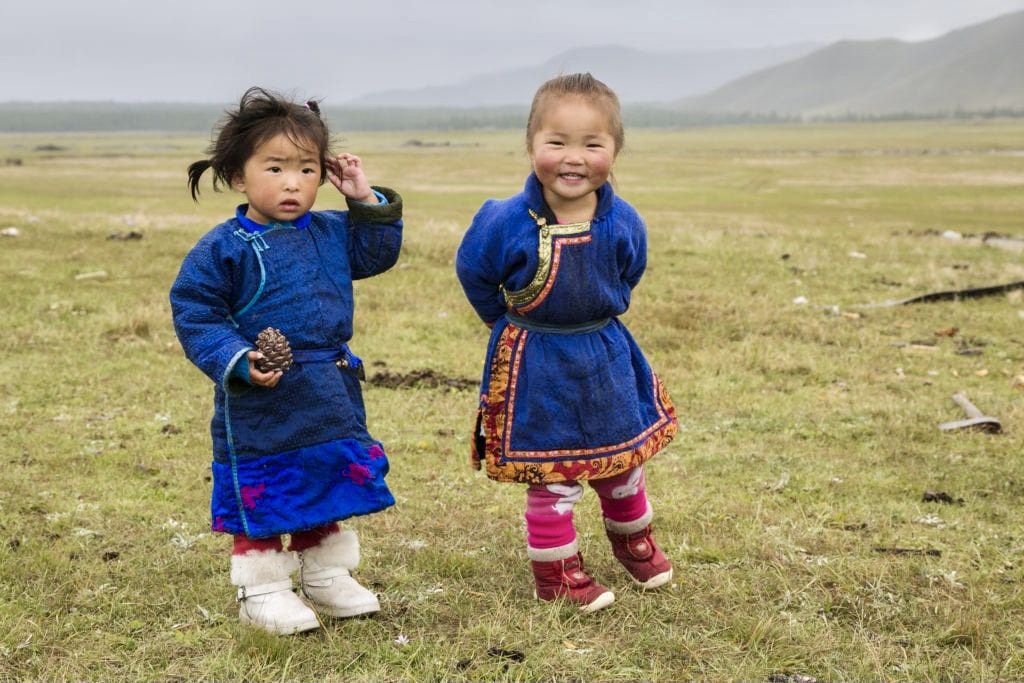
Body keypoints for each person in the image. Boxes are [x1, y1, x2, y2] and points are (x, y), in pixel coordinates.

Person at [170, 87, 403, 634]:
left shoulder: (330, 232)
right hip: (261, 393)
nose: (292, 182)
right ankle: (263, 586)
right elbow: (196, 312)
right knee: (263, 479)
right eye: (275, 168)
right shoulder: (224, 246)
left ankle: (324, 572)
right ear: (238, 176)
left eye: (305, 168)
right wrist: (237, 358)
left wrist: (362, 198)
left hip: (327, 383)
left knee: (323, 473)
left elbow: (377, 253)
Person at [455, 73, 678, 612]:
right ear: (531, 144)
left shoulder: (624, 221)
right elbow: (473, 270)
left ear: (615, 150)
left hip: (605, 355)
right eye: (556, 142)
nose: (573, 158)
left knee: (621, 460)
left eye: (592, 144)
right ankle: (556, 574)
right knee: (553, 472)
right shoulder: (505, 220)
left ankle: (633, 543)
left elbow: (630, 273)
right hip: (537, 361)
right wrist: (502, 322)